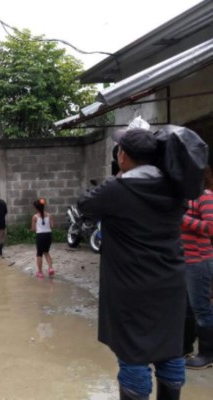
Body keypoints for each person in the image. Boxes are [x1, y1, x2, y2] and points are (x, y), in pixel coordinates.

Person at [77, 128, 186, 400]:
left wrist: (119, 177)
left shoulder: (118, 188)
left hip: (130, 286)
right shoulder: (175, 186)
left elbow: (84, 205)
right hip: (171, 282)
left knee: (133, 353)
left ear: (123, 156)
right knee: (171, 348)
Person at [180, 165, 213, 370]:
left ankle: (208, 354)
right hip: (185, 262)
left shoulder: (206, 197)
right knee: (186, 309)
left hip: (199, 262)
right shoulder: (186, 199)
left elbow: (210, 227)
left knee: (201, 309)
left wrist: (181, 218)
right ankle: (184, 348)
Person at [31, 198, 54, 279]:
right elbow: (52, 226)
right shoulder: (49, 215)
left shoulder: (35, 217)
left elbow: (33, 229)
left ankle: (40, 272)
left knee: (39, 254)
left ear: (36, 208)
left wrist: (36, 228)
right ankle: (50, 268)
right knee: (46, 252)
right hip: (48, 235)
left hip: (40, 236)